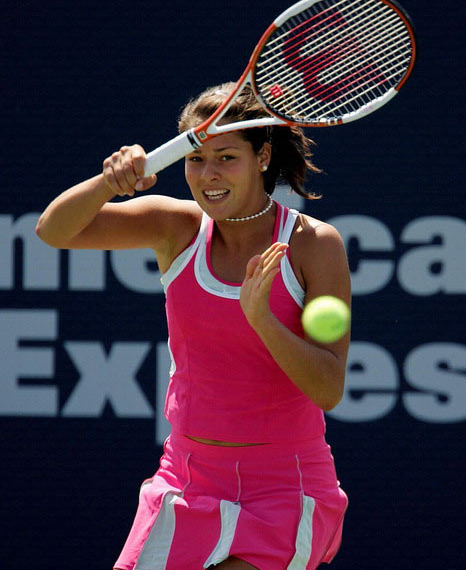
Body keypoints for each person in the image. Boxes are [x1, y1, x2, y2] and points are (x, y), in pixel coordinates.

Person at [36, 82, 351, 570]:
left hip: (285, 486)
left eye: (227, 158)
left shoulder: (315, 244)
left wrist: (262, 320)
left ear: (262, 156)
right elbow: (53, 231)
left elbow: (328, 387)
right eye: (195, 158)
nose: (208, 175)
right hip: (187, 479)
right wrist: (110, 181)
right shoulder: (174, 226)